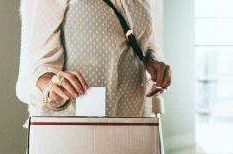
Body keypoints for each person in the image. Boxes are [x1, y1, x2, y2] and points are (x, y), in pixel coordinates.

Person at [16, 0, 171, 118]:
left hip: (134, 123)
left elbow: (148, 42)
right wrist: (50, 84)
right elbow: (34, 67)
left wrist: (153, 61)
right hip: (73, 130)